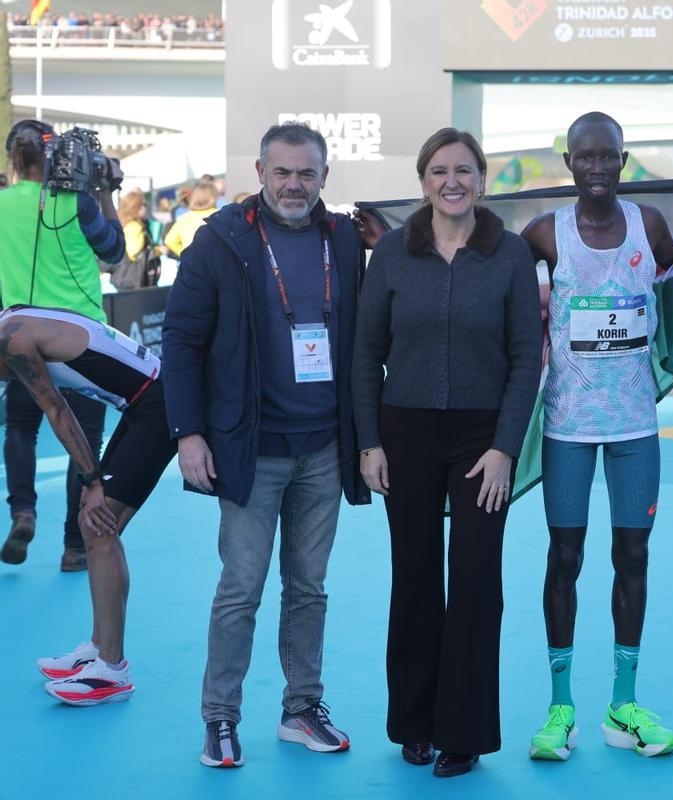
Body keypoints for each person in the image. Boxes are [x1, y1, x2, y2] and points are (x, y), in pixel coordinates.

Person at [163, 122, 370, 769]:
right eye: (282, 172)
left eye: (306, 173)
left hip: (325, 451)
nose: (293, 184)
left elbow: (366, 338)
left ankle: (302, 709)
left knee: (309, 588)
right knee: (241, 589)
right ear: (260, 172)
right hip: (249, 451)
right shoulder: (221, 241)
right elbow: (181, 341)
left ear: (325, 178)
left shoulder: (343, 239)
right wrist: (188, 433)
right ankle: (220, 719)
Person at [352, 127, 541, 778]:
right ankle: (414, 722)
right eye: (439, 171)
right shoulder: (394, 257)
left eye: (464, 170)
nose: (452, 181)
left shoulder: (511, 255)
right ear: (423, 182)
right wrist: (369, 442)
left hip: (481, 439)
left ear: (482, 181)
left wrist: (504, 449)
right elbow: (364, 352)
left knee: (477, 581)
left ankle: (463, 732)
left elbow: (526, 360)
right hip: (403, 432)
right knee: (414, 578)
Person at [519, 111, 673, 762]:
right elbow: (485, 268)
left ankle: (623, 700)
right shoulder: (545, 233)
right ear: (569, 162)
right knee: (565, 558)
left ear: (623, 160)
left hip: (636, 426)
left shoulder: (649, 225)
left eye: (607, 156)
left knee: (633, 558)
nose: (596, 167)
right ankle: (561, 706)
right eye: (584, 157)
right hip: (567, 428)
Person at [0, 305, 177, 704]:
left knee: (98, 527)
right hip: (144, 402)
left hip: (158, 405)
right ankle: (101, 647)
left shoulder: (11, 339)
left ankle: (111, 671)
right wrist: (90, 476)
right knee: (96, 526)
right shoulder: (14, 319)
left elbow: (57, 410)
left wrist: (92, 479)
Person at [0, 119, 117, 572]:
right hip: (81, 337)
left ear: (13, 158)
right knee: (84, 441)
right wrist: (107, 192)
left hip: (20, 334)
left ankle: (23, 511)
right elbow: (113, 251)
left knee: (20, 427)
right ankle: (75, 545)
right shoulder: (77, 202)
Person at [112, 188, 162, 290]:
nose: (146, 207)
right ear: (136, 207)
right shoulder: (135, 227)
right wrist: (157, 251)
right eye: (144, 205)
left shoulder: (122, 223)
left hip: (122, 277)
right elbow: (134, 253)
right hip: (134, 278)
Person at [163, 180, 218, 257]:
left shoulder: (184, 218)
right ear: (213, 197)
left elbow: (169, 241)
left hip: (191, 264)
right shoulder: (220, 215)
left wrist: (185, 254)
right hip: (215, 262)